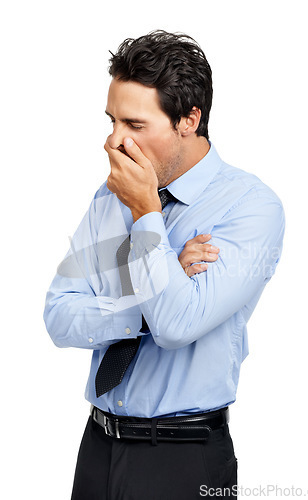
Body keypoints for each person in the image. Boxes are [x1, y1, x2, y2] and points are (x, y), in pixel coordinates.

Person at [43, 30, 285, 499]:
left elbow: (176, 323)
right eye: (112, 121)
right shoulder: (107, 197)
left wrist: (145, 214)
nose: (113, 142)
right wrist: (159, 280)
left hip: (181, 459)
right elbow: (58, 316)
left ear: (188, 120)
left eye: (135, 125)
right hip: (96, 448)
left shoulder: (251, 207)